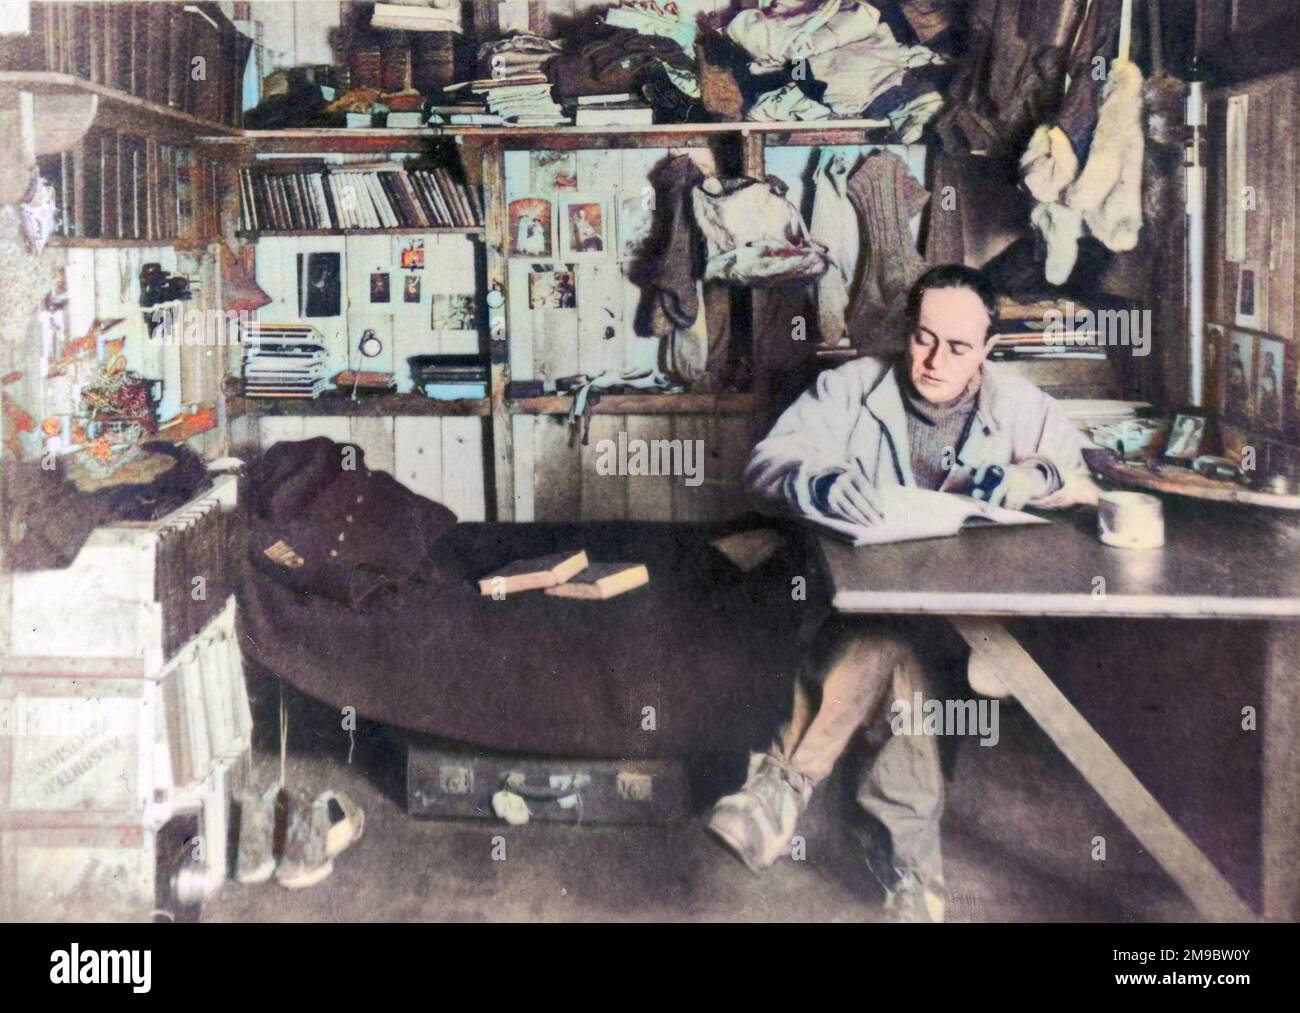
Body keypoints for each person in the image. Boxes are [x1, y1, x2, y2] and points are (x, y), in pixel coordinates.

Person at [706, 264, 1099, 921]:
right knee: (897, 650)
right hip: (854, 609)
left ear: (988, 350)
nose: (936, 359)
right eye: (923, 338)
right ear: (906, 331)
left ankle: (782, 787)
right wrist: (820, 480)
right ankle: (917, 877)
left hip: (966, 624)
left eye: (958, 346)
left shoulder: (1018, 403)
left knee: (902, 646)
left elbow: (1081, 477)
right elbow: (766, 463)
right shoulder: (852, 385)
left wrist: (1036, 477)